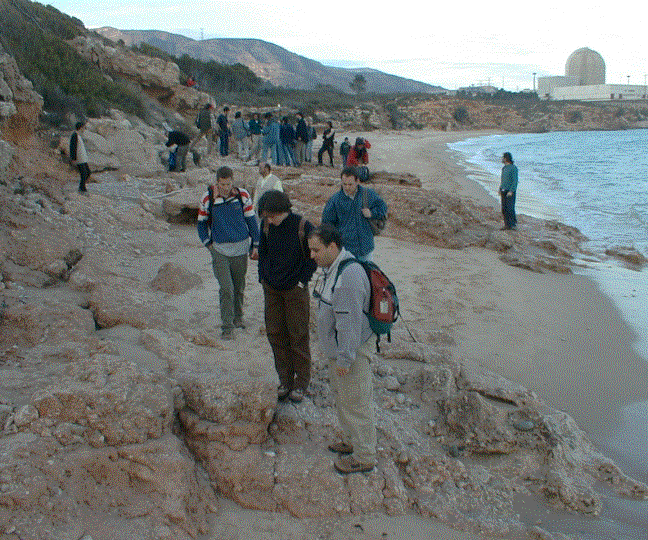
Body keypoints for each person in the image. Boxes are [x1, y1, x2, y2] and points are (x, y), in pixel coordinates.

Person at [308, 223, 376, 474]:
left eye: (316, 250)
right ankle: (351, 441)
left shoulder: (348, 277)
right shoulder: (334, 268)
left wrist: (345, 360)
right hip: (340, 350)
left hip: (351, 351)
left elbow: (349, 324)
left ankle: (365, 456)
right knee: (344, 399)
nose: (312, 255)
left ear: (333, 247)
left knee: (356, 402)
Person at [258, 190, 317, 402]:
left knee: (298, 335)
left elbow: (314, 256)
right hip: (272, 289)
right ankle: (285, 380)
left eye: (272, 216)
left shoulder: (303, 226)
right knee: (275, 334)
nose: (269, 220)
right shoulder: (266, 226)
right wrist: (263, 278)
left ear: (283, 211)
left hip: (295, 290)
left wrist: (302, 280)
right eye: (266, 216)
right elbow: (262, 253)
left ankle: (301, 383)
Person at [197, 166, 260, 340]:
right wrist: (208, 244)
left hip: (240, 249)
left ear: (233, 181)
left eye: (228, 184)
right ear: (217, 182)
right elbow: (201, 224)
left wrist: (256, 244)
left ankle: (238, 317)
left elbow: (251, 221)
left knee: (238, 287)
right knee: (226, 288)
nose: (225, 188)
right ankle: (227, 326)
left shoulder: (243, 195)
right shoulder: (207, 198)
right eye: (222, 184)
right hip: (219, 250)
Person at [321, 167, 387, 262]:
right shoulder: (335, 200)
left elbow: (383, 207)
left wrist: (372, 213)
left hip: (365, 250)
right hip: (346, 252)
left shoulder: (368, 194)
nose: (347, 187)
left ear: (357, 181)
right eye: (344, 184)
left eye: (350, 184)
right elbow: (327, 224)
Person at [69, 120, 90, 193]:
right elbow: (72, 147)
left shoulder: (78, 135)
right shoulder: (74, 135)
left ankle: (82, 187)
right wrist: (73, 158)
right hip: (79, 158)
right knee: (84, 173)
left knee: (87, 172)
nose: (84, 129)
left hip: (82, 158)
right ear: (80, 128)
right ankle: (82, 188)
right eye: (84, 127)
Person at [499, 151, 518, 230]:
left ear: (506, 158)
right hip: (503, 190)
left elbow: (515, 181)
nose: (502, 159)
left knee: (510, 208)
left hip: (510, 191)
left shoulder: (513, 168)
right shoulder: (504, 168)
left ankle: (513, 224)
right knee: (504, 209)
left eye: (503, 158)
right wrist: (500, 188)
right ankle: (506, 225)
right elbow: (503, 179)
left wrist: (511, 191)